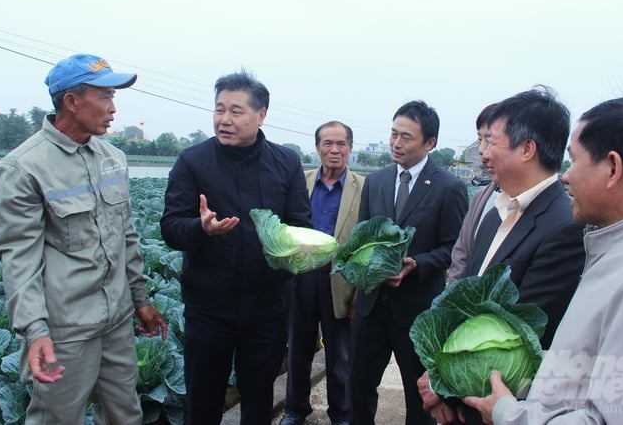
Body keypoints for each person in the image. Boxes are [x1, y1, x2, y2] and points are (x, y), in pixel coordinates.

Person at [0, 53, 168, 425]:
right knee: (57, 418)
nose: (114, 108)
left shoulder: (113, 158)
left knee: (125, 415)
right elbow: (19, 262)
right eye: (105, 97)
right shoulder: (23, 169)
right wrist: (35, 331)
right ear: (71, 101)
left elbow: (127, 238)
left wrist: (141, 300)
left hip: (117, 321)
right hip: (64, 330)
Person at [462, 97, 623, 424]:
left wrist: (510, 414)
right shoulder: (617, 251)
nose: (566, 176)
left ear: (612, 168)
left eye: (574, 161)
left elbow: (617, 416)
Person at [418, 87, 586, 424]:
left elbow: (519, 334)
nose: (483, 153)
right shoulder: (497, 209)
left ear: (527, 149)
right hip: (465, 398)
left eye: (491, 142)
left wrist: (443, 385)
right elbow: (460, 303)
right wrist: (439, 373)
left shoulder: (563, 228)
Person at [159, 71, 311, 425]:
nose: (225, 120)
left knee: (258, 398)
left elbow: (300, 224)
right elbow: (171, 227)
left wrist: (295, 249)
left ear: (261, 115)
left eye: (236, 111)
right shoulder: (192, 161)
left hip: (267, 308)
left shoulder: (285, 162)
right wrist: (201, 229)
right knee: (203, 400)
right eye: (219, 110)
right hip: (209, 309)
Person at [349, 100, 468, 425]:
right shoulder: (376, 181)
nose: (396, 143)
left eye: (406, 137)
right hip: (371, 305)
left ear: (430, 143)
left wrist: (417, 264)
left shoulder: (449, 188)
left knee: (420, 397)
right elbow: (363, 236)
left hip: (415, 310)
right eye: (393, 134)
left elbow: (453, 249)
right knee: (358, 386)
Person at [279, 121, 365, 425]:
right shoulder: (299, 182)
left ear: (350, 148)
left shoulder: (364, 188)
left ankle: (341, 413)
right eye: (328, 143)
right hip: (301, 279)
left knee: (340, 355)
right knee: (298, 348)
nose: (335, 150)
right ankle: (294, 409)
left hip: (340, 281)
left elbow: (367, 244)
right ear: (317, 148)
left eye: (341, 144)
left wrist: (358, 295)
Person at [446, 102, 499, 284]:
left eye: (490, 140)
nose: (481, 150)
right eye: (480, 140)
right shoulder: (480, 197)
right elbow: (461, 254)